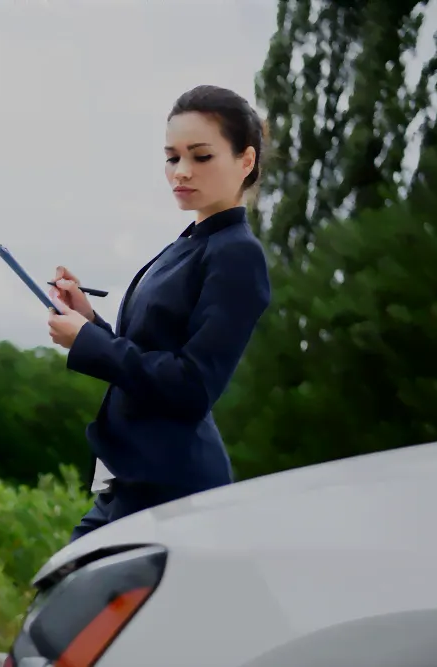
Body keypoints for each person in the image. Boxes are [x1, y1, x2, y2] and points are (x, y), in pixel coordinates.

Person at [46, 85, 272, 542]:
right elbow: (145, 353)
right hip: (128, 479)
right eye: (172, 157)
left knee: (77, 604)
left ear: (245, 161)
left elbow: (191, 387)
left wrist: (88, 343)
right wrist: (89, 320)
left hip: (173, 491)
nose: (181, 171)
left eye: (201, 156)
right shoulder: (190, 243)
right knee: (61, 595)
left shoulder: (236, 255)